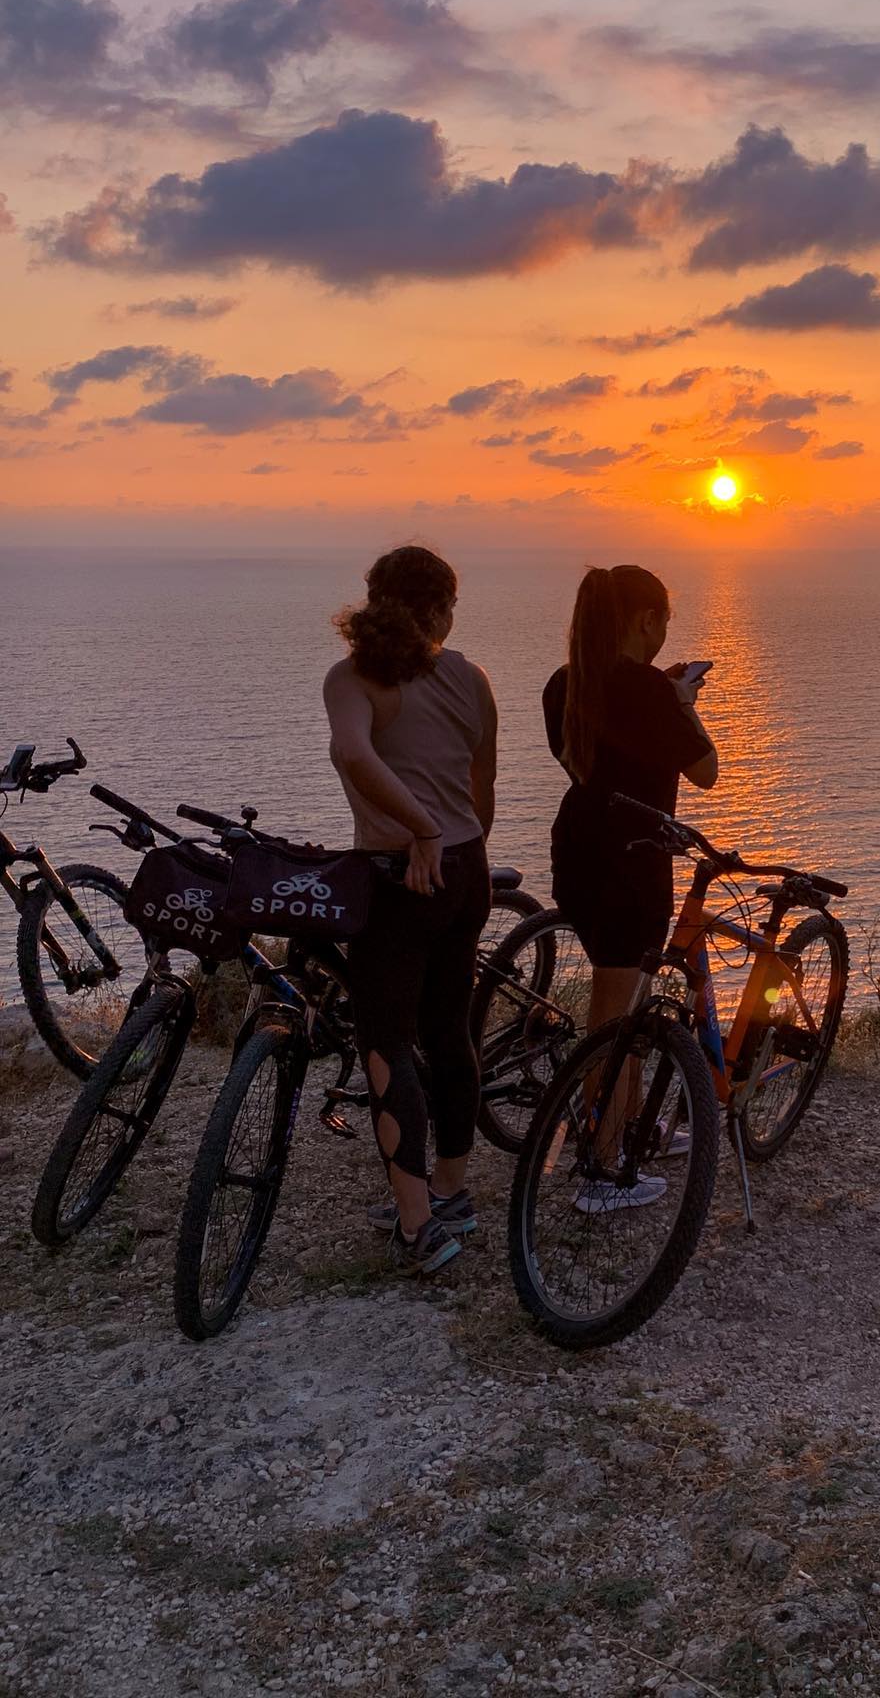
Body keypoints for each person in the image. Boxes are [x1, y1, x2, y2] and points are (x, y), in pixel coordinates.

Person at [325, 545, 497, 1274]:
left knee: (386, 1041)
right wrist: (450, 834)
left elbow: (353, 754)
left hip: (400, 879)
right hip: (467, 871)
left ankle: (417, 1224)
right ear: (441, 611)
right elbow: (480, 783)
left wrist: (416, 828)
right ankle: (450, 1193)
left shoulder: (353, 678)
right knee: (448, 1031)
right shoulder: (469, 678)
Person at [543, 565, 718, 1211]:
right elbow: (707, 771)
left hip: (579, 852)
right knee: (614, 1019)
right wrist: (682, 706)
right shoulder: (648, 689)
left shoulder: (565, 683)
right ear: (647, 620)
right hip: (633, 861)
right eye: (663, 620)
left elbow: (581, 763)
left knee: (627, 997)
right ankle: (601, 1167)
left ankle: (635, 1127)